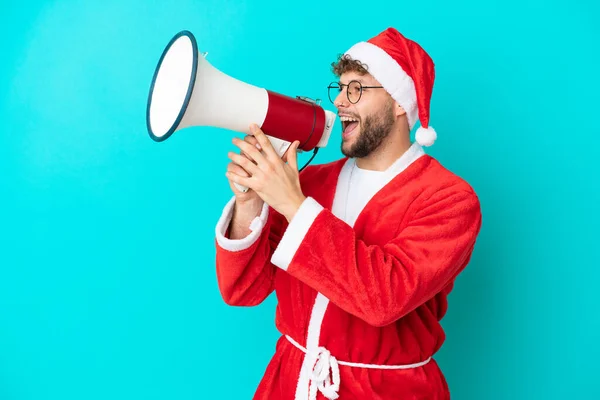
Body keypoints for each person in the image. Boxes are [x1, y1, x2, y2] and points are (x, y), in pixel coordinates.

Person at [214, 27, 482, 400]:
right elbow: (243, 290)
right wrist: (250, 203)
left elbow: (384, 298)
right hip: (290, 382)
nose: (339, 102)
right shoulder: (311, 182)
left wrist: (292, 204)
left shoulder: (450, 199)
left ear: (399, 101)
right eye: (338, 88)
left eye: (355, 88)